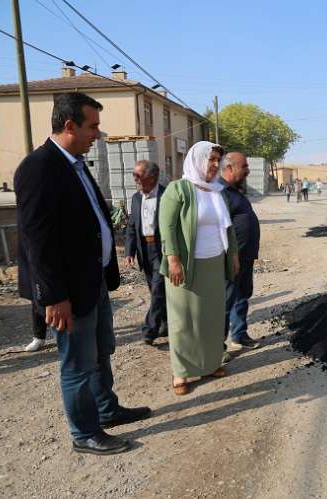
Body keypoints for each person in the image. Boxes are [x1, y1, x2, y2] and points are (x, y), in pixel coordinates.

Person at [14, 92, 150, 455]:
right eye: (93, 127)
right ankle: (84, 432)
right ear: (70, 125)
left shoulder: (75, 163)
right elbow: (36, 242)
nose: (98, 134)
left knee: (101, 352)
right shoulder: (38, 168)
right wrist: (54, 297)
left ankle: (106, 410)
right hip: (67, 293)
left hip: (92, 284)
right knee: (76, 363)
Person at [158, 141, 240, 396]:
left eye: (218, 160)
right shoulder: (178, 189)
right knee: (184, 319)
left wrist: (234, 255)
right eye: (211, 159)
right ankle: (181, 371)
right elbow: (167, 227)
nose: (215, 165)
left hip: (214, 262)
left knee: (212, 318)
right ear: (197, 160)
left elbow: (227, 226)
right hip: (186, 266)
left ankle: (211, 363)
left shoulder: (216, 191)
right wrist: (173, 260)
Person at [221, 152, 261, 351]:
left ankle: (239, 335)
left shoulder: (235, 191)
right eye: (244, 166)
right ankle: (216, 348)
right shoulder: (220, 192)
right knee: (225, 301)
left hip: (245, 256)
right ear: (229, 168)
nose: (248, 170)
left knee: (242, 295)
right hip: (231, 259)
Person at [125, 160, 167, 345]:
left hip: (162, 250)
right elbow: (132, 226)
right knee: (155, 290)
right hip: (144, 250)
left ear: (151, 177)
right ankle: (165, 325)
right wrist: (129, 251)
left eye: (138, 175)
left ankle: (149, 330)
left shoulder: (166, 195)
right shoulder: (136, 198)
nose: (135, 179)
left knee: (158, 289)